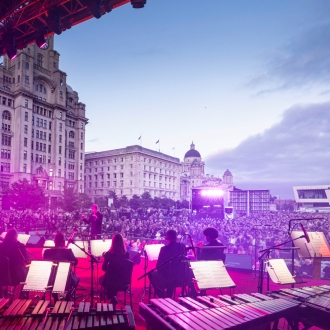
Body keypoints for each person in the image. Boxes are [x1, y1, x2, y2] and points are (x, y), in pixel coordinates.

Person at [150, 229, 186, 298]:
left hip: (167, 276)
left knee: (151, 274)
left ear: (167, 237)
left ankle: (162, 295)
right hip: (181, 276)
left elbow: (159, 265)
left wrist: (158, 270)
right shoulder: (182, 246)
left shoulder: (164, 249)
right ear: (176, 237)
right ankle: (168, 294)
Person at [43, 232, 79, 300]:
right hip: (66, 280)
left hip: (50, 279)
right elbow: (75, 262)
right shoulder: (68, 252)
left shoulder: (47, 252)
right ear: (63, 241)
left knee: (53, 278)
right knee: (77, 279)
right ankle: (68, 297)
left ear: (54, 241)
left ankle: (56, 298)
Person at [99, 234, 129, 304]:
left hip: (110, 281)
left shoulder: (108, 254)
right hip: (123, 281)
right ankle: (112, 297)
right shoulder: (126, 254)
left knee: (102, 279)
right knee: (113, 279)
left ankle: (111, 297)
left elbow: (104, 268)